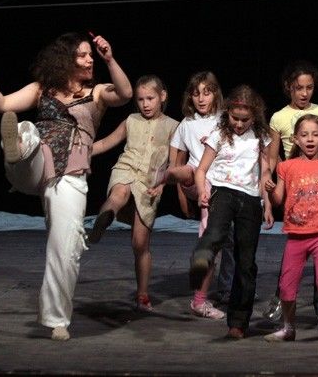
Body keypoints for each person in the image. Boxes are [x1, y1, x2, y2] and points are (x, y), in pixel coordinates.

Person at [0, 32, 133, 340]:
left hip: (70, 173)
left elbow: (125, 93)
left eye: (91, 55)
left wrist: (109, 58)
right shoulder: (41, 89)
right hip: (35, 165)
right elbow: (2, 104)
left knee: (66, 245)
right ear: (65, 59)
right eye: (83, 55)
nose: (89, 60)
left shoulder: (97, 93)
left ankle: (57, 320)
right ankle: (16, 148)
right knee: (24, 128)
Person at [263, 60, 318, 325]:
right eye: (299, 88)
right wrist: (269, 189)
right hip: (294, 185)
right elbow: (272, 157)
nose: (304, 93)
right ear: (289, 87)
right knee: (295, 249)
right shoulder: (279, 117)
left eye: (309, 87)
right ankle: (281, 299)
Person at [187, 84, 274, 339]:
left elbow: (264, 172)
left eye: (245, 120)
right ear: (228, 113)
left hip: (250, 198)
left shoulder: (261, 137)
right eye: (235, 118)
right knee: (215, 233)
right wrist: (202, 191)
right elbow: (201, 170)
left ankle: (238, 321)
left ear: (254, 116)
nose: (239, 124)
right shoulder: (219, 133)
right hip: (223, 191)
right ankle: (202, 257)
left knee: (245, 261)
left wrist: (268, 202)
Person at [88, 74, 179, 311]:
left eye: (150, 98)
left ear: (162, 96)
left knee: (140, 243)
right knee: (119, 193)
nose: (145, 104)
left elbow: (173, 164)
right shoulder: (131, 120)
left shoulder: (173, 126)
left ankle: (142, 294)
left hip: (150, 182)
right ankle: (103, 220)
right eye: (140, 99)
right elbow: (106, 142)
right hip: (126, 169)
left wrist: (163, 184)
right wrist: (81, 152)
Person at [162, 71, 230, 319]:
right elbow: (178, 159)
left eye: (206, 93)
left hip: (218, 184)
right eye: (196, 93)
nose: (201, 98)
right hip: (194, 180)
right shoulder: (186, 124)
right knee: (188, 170)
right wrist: (181, 195)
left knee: (214, 239)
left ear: (215, 94)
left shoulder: (225, 119)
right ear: (190, 97)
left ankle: (202, 291)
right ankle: (164, 176)